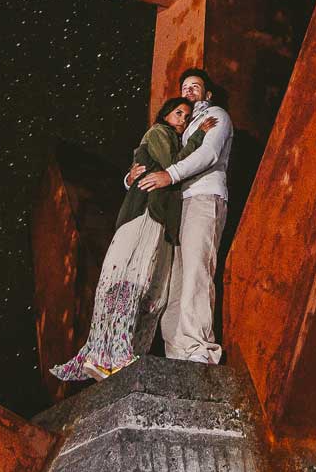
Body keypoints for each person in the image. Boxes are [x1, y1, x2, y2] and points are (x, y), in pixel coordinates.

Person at [48, 97, 216, 382]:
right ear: (164, 115)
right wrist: (200, 134)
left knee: (150, 288)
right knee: (132, 277)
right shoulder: (158, 133)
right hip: (145, 215)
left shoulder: (171, 138)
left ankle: (122, 355)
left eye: (187, 117)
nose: (183, 120)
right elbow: (172, 165)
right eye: (178, 113)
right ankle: (107, 354)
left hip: (160, 220)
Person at [149, 68, 233, 364]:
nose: (189, 90)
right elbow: (155, 159)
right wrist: (133, 176)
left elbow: (208, 154)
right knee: (175, 283)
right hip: (177, 207)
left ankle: (200, 349)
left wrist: (169, 175)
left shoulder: (217, 116)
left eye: (196, 86)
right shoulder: (179, 130)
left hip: (203, 198)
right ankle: (177, 354)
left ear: (207, 95)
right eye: (185, 86)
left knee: (197, 270)